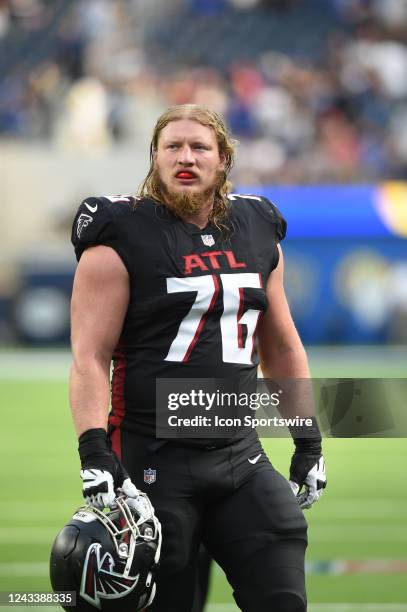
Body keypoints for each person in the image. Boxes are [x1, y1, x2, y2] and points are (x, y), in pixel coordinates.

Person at [70, 103, 327, 612]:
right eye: (173, 147)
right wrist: (93, 452)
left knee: (283, 596)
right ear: (155, 157)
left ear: (223, 159)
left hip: (240, 456)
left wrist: (308, 437)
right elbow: (90, 356)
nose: (185, 157)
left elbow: (279, 345)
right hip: (152, 461)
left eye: (199, 147)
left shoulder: (256, 226)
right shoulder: (119, 231)